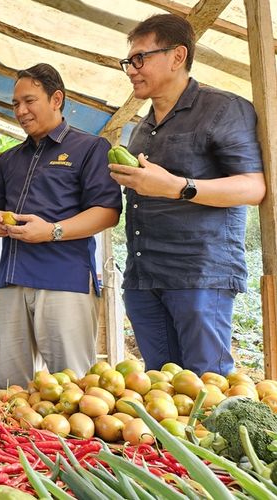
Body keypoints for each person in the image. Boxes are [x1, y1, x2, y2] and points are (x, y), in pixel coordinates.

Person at [109, 14, 265, 375]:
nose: (131, 70)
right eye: (128, 62)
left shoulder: (223, 108)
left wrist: (179, 186)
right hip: (144, 277)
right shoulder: (142, 128)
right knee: (162, 390)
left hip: (199, 276)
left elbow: (253, 187)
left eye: (139, 58)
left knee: (207, 389)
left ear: (177, 56)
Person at [0, 63, 121, 389]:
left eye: (29, 101)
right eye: (15, 104)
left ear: (56, 98)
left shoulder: (90, 147)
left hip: (64, 280)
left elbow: (108, 212)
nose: (21, 110)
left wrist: (52, 231)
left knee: (74, 389)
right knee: (8, 388)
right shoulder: (9, 158)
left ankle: (73, 443)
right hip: (12, 281)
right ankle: (10, 442)